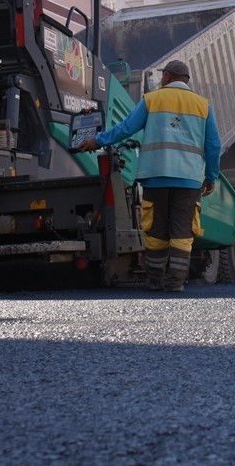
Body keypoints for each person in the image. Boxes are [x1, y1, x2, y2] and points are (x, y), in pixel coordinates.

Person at [79, 60, 221, 292]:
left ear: (167, 76)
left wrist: (97, 140)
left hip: (155, 176)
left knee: (155, 229)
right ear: (186, 80)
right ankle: (175, 282)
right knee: (182, 232)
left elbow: (125, 128)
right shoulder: (203, 106)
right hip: (188, 180)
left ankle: (154, 280)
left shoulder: (152, 100)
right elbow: (213, 146)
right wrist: (211, 177)